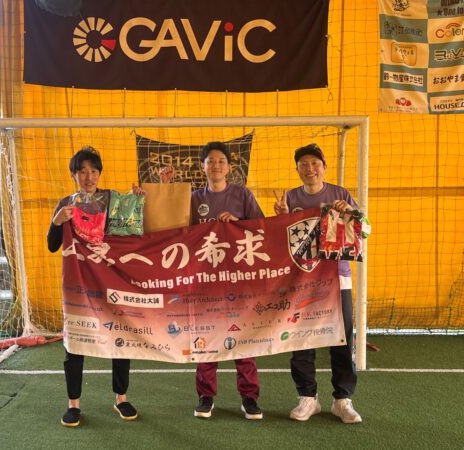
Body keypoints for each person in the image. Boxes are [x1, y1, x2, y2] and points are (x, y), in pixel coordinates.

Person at [163, 141, 264, 420]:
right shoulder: (194, 198)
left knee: (243, 338)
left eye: (221, 161)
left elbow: (262, 229)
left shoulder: (243, 195)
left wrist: (237, 223)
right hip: (205, 280)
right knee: (205, 337)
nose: (216, 165)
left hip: (238, 280)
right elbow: (173, 227)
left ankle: (249, 398)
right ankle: (205, 397)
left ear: (229, 167)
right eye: (211, 161)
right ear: (203, 166)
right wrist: (165, 189)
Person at [47, 146, 144, 427]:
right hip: (79, 285)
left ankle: (121, 398)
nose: (88, 176)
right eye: (82, 171)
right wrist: (56, 221)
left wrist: (137, 202)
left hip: (111, 282)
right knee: (75, 343)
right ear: (73, 175)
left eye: (93, 170)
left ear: (100, 173)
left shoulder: (113, 200)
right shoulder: (66, 204)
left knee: (120, 338)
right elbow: (52, 245)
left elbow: (133, 231)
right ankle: (73, 404)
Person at [274, 143, 362, 424]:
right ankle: (307, 397)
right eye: (303, 164)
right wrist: (280, 217)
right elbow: (278, 241)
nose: (309, 169)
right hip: (302, 281)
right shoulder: (290, 197)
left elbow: (364, 230)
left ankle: (342, 399)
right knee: (301, 338)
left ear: (324, 167)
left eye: (315, 163)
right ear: (297, 169)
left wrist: (350, 212)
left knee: (342, 339)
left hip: (338, 278)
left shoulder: (341, 194)